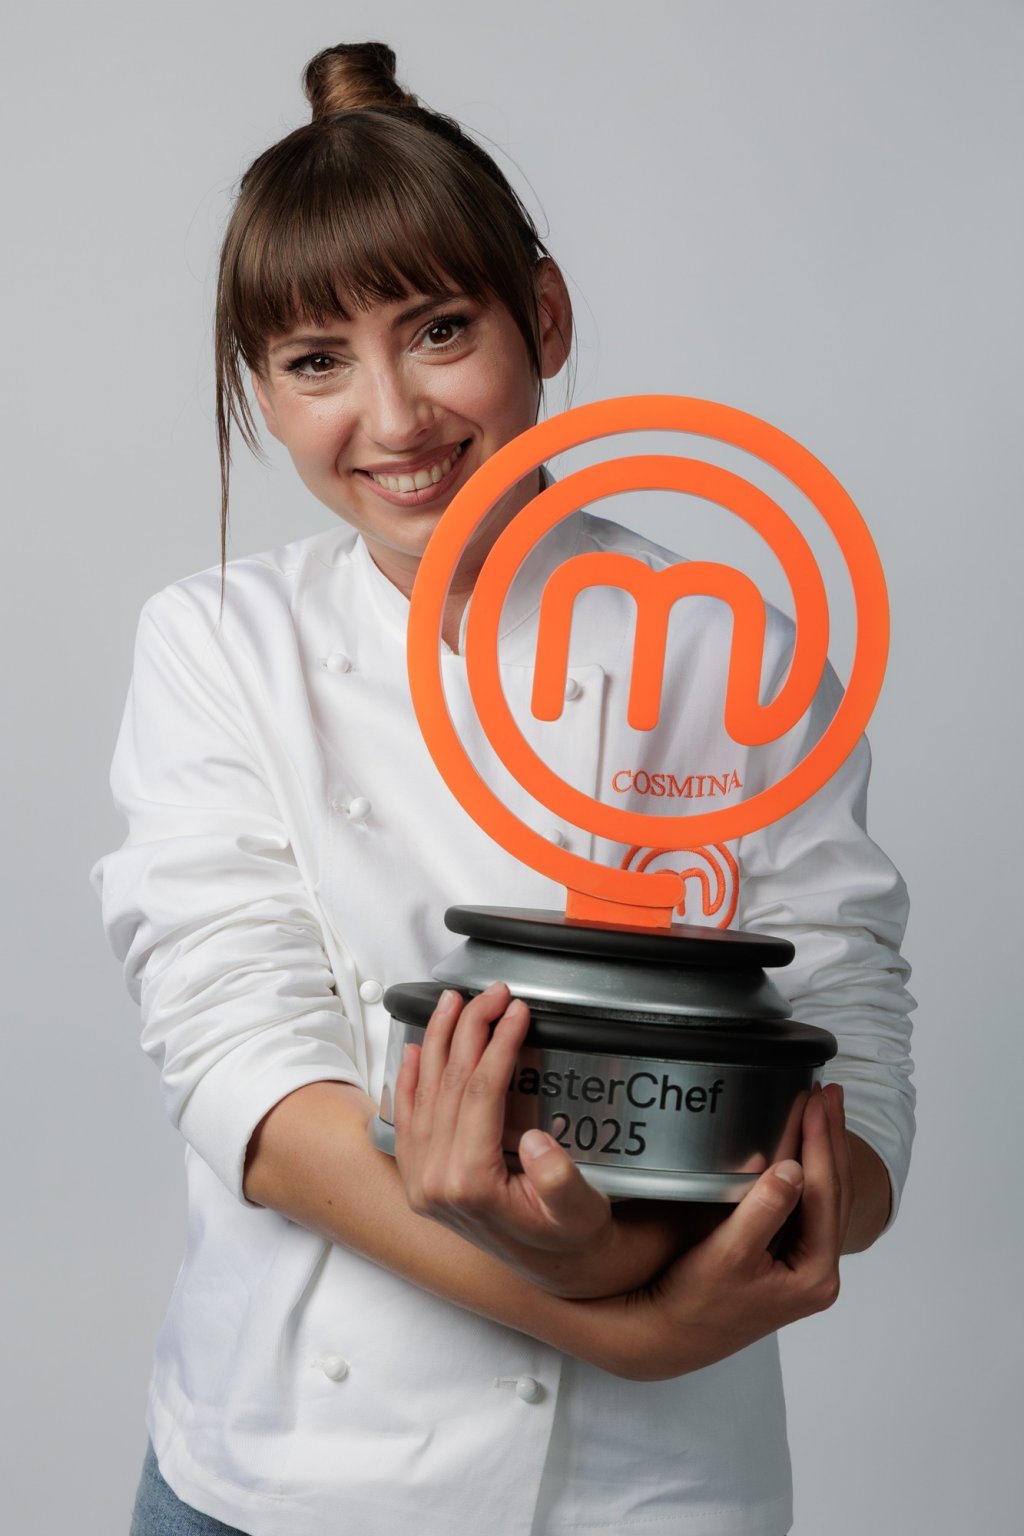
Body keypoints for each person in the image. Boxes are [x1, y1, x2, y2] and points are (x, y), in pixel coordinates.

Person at [93, 41, 915, 1536]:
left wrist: (782, 1213)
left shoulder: (729, 652)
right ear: (259, 392)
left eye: (440, 328)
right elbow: (246, 1081)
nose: (395, 417)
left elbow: (848, 1046)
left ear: (545, 314)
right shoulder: (217, 644)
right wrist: (617, 1315)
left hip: (648, 1493)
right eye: (316, 361)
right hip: (280, 1475)